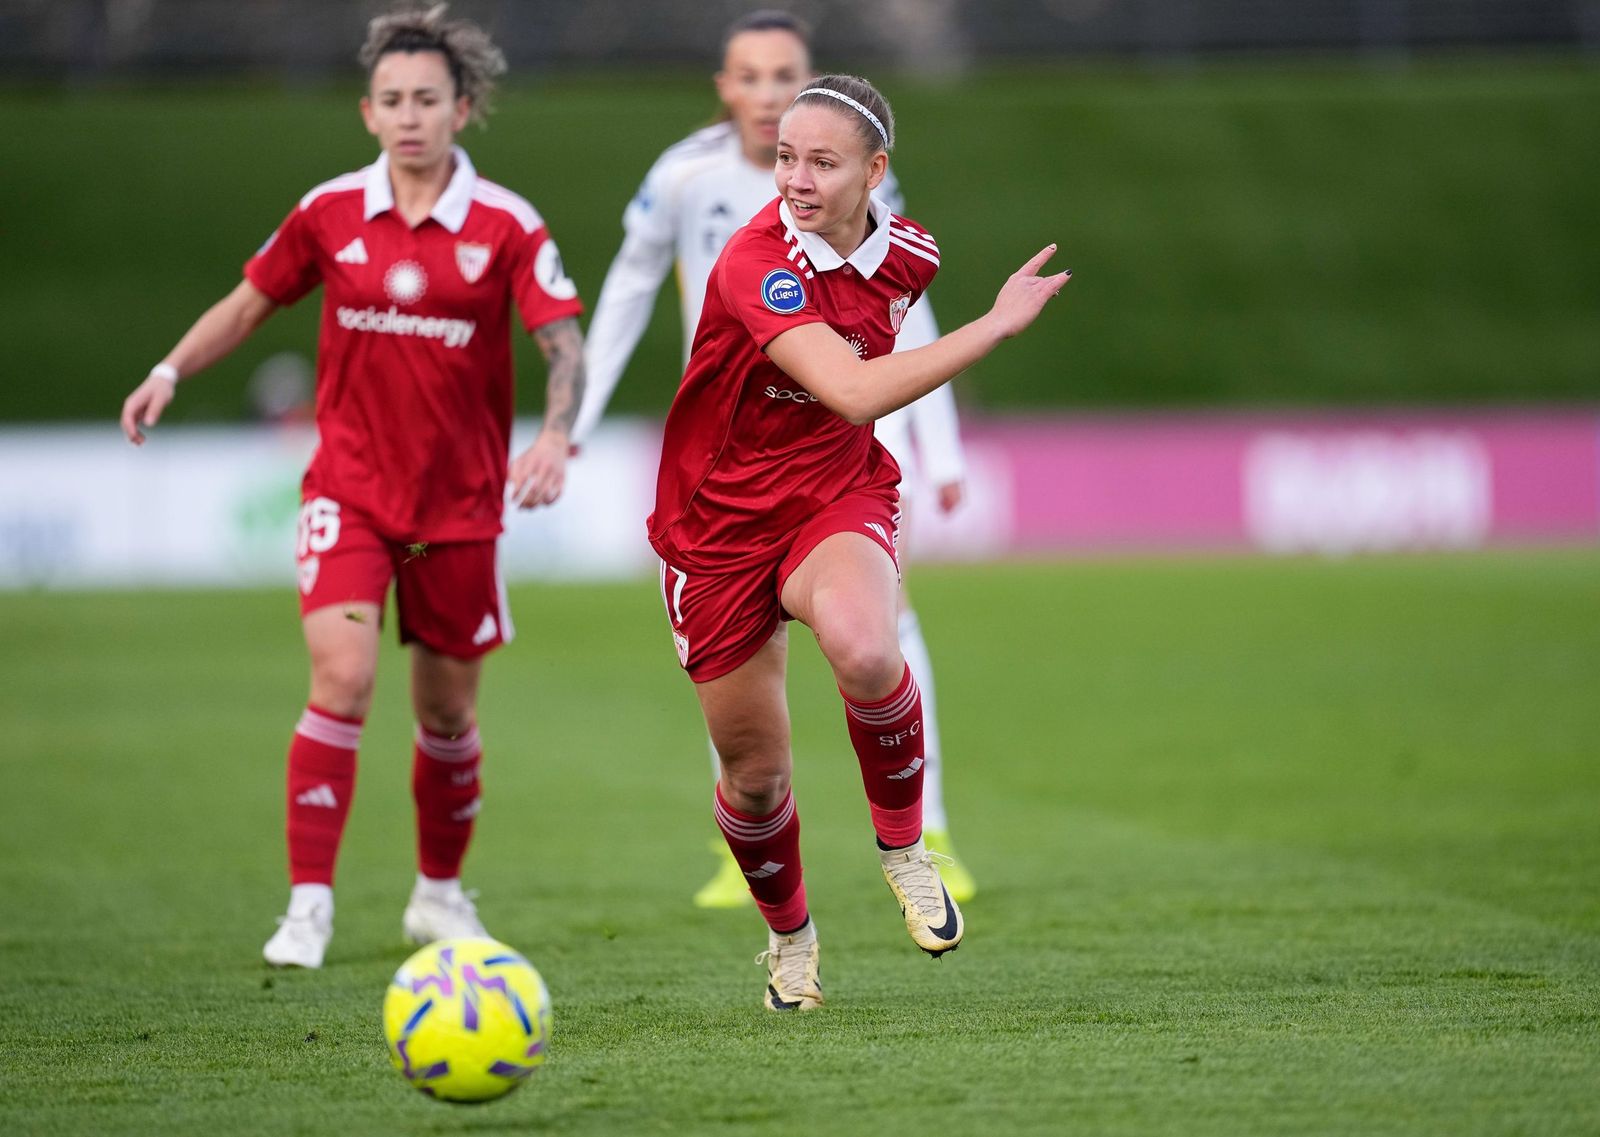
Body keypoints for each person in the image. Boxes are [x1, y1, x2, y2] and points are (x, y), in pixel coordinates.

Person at [118, 3, 586, 969]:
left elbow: (561, 340)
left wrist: (553, 436)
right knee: (342, 676)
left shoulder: (504, 224)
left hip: (455, 510)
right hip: (353, 496)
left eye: (427, 98)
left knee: (447, 713)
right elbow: (253, 301)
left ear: (463, 108)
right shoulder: (331, 211)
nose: (410, 115)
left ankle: (439, 895)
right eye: (391, 100)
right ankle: (308, 906)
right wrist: (169, 369)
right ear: (367, 113)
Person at [648, 73, 1069, 1010]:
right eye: (785, 156)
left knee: (869, 644)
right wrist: (994, 326)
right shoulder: (753, 260)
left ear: (875, 170)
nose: (794, 177)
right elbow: (855, 389)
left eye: (821, 161)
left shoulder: (908, 254)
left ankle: (905, 846)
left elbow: (865, 396)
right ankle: (790, 936)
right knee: (755, 779)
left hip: (832, 493)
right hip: (714, 529)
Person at [574, 9, 977, 909]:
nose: (766, 97)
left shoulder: (880, 205)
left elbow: (904, 314)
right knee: (752, 744)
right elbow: (630, 287)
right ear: (724, 88)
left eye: (783, 75)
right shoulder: (688, 182)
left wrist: (940, 443)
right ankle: (759, 864)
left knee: (878, 634)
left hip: (835, 452)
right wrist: (573, 419)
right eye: (749, 77)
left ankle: (925, 830)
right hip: (723, 464)